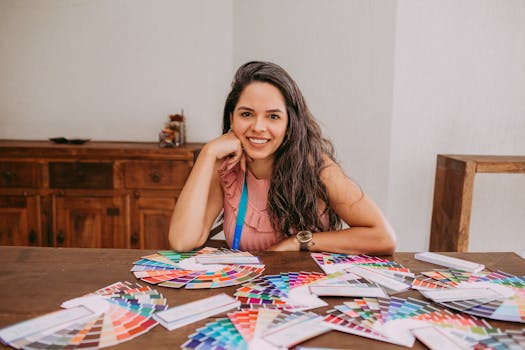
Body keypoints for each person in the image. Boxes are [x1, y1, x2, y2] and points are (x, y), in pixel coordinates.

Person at [169, 61, 396, 254]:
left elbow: (383, 238)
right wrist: (207, 154)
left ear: (290, 123)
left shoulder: (315, 167)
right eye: (246, 114)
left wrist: (298, 242)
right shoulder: (226, 167)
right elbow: (182, 241)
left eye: (273, 116)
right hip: (248, 296)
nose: (258, 127)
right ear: (232, 117)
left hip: (304, 297)